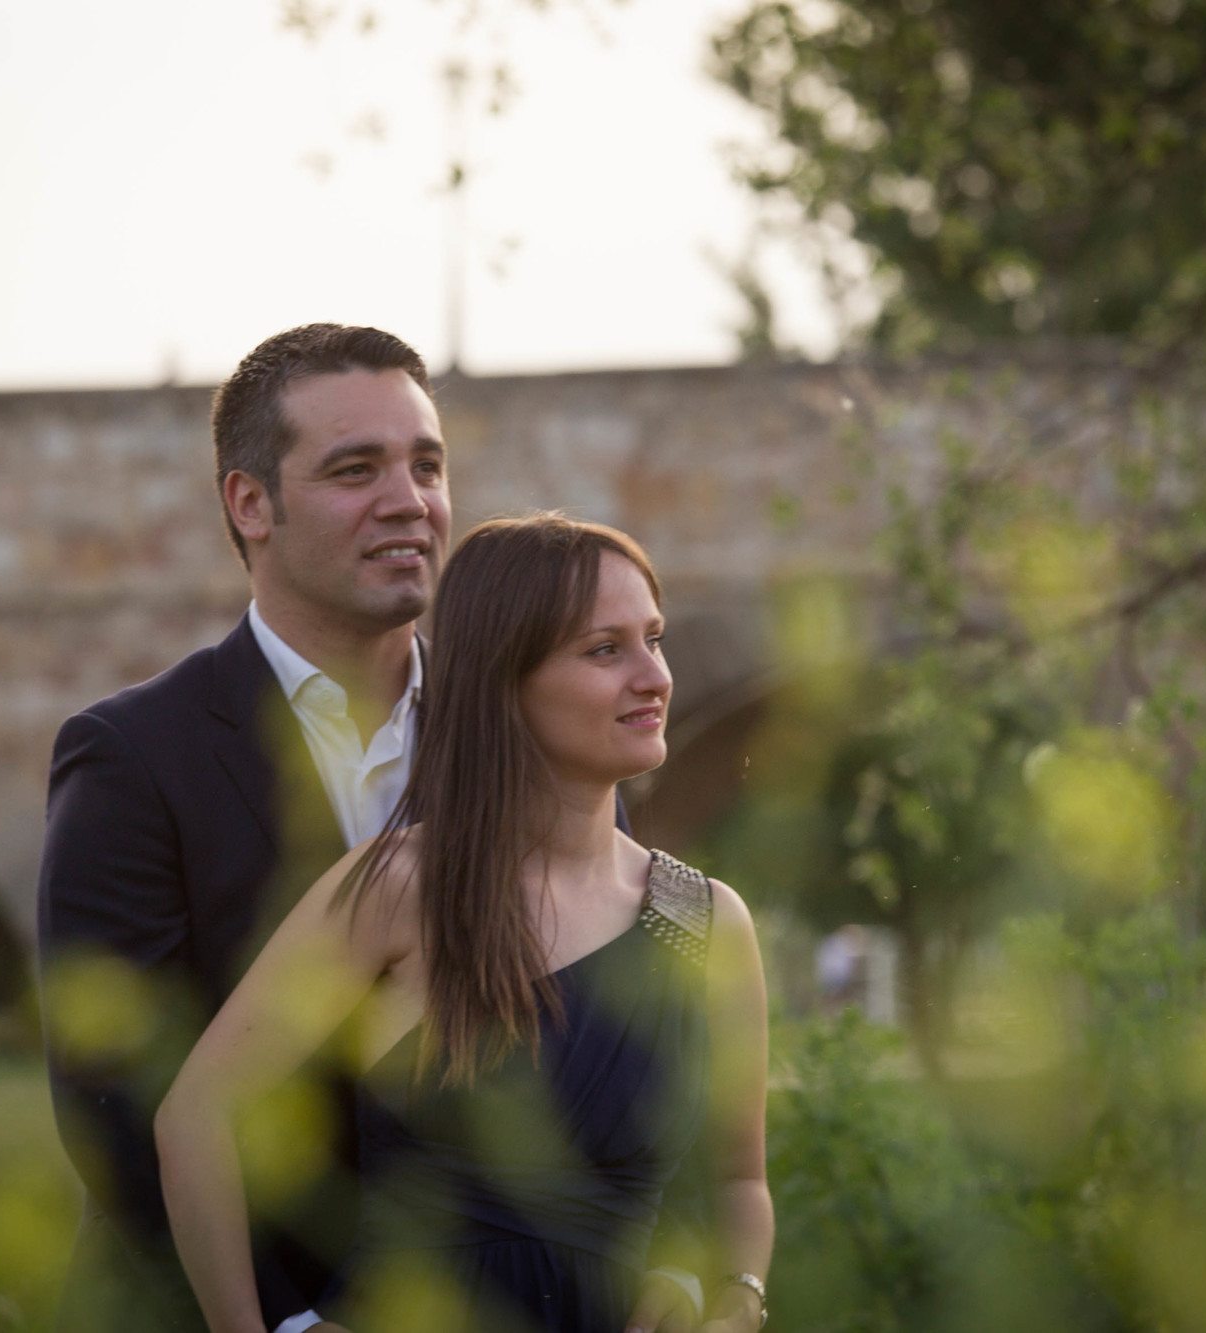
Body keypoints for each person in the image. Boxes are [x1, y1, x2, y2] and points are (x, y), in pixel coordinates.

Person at [38, 326, 708, 1333]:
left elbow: (630, 1050)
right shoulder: (131, 758)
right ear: (249, 503)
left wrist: (673, 1261)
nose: (410, 500)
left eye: (426, 465)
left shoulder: (541, 732)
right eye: (356, 469)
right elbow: (118, 1106)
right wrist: (290, 1324)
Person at [154, 515, 774, 1333]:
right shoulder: (399, 887)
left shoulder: (706, 921)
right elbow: (194, 1115)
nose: (654, 676)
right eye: (604, 649)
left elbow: (738, 1181)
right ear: (503, 679)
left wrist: (732, 1298)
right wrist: (270, 1331)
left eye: (652, 639)